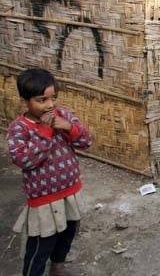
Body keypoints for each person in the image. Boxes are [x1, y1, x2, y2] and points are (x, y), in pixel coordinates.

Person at [6, 69, 92, 276]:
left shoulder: (62, 116)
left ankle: (58, 267)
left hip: (70, 191)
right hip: (44, 199)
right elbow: (24, 160)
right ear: (25, 102)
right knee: (41, 243)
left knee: (68, 232)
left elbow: (86, 141)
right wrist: (45, 132)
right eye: (41, 100)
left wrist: (69, 128)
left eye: (53, 98)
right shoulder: (19, 129)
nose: (50, 104)